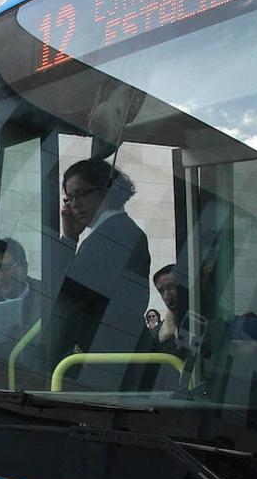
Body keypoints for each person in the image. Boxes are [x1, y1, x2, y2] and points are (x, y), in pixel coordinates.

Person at [46, 159, 151, 385]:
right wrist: (71, 237)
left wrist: (45, 358)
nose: (74, 204)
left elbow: (65, 300)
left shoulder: (111, 236)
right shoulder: (120, 231)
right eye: (69, 198)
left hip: (105, 361)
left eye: (81, 194)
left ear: (107, 189)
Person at [153, 264, 190, 358]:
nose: (167, 296)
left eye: (170, 287)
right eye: (161, 291)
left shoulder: (196, 304)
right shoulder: (163, 327)